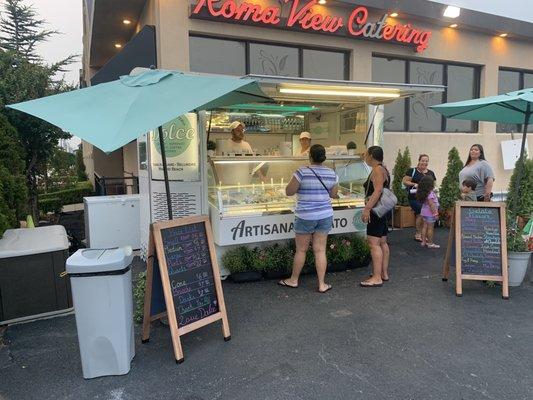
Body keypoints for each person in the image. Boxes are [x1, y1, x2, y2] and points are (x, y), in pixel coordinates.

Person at [279, 144, 339, 293]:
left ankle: (293, 280)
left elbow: (289, 191)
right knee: (320, 251)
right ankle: (322, 284)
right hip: (325, 214)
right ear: (324, 157)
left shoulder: (302, 172)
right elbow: (333, 194)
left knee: (301, 250)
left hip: (305, 215)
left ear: (310, 156)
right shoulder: (332, 173)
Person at [360, 146, 390, 287]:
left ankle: (376, 277)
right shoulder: (383, 168)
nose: (365, 157)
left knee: (373, 244)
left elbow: (377, 190)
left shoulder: (377, 170)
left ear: (371, 155)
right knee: (382, 242)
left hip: (376, 210)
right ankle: (383, 273)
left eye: (366, 154)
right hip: (383, 210)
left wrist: (367, 208)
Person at [402, 154, 436, 242]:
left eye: (426, 161)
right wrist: (414, 184)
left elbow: (433, 184)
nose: (424, 162)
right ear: (419, 161)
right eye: (423, 160)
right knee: (420, 213)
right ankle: (418, 233)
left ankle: (423, 234)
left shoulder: (431, 173)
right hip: (414, 197)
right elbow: (405, 181)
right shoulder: (412, 171)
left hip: (427, 198)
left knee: (424, 215)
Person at [416, 176, 440, 248]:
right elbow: (432, 205)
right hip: (430, 213)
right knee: (430, 228)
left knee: (424, 227)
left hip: (424, 213)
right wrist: (435, 214)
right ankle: (430, 243)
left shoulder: (424, 193)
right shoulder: (430, 194)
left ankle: (423, 241)